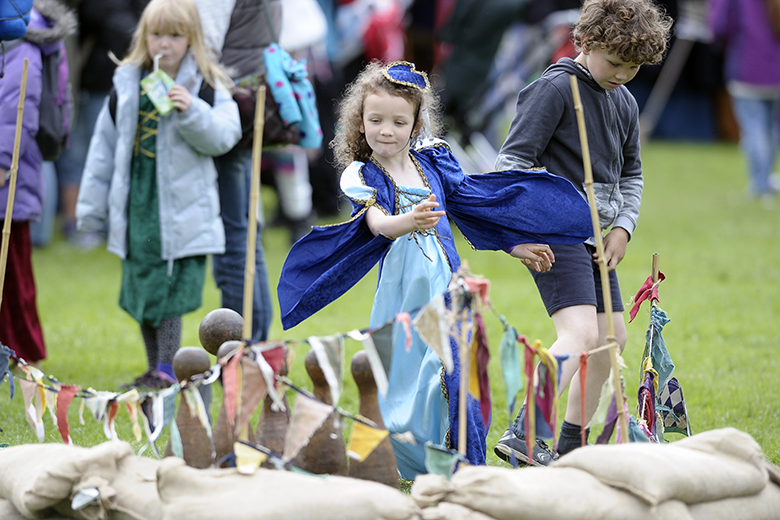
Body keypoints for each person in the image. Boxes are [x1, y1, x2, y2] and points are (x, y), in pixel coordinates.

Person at [277, 60, 593, 479]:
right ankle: (392, 455)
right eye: (375, 120)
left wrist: (516, 244)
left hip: (445, 287)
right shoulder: (363, 174)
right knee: (400, 377)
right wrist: (409, 221)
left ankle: (461, 462)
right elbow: (378, 225)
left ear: (415, 125)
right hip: (403, 293)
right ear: (359, 122)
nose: (385, 130)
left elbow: (470, 210)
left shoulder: (433, 163)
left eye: (397, 122)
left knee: (451, 373)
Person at [492, 0, 673, 466]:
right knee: (579, 333)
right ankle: (526, 432)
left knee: (612, 338)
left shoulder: (625, 100)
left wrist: (623, 228)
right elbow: (509, 166)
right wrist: (517, 235)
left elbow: (631, 176)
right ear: (585, 42)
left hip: (598, 238)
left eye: (634, 67)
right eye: (615, 63)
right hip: (556, 230)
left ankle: (572, 446)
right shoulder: (554, 88)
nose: (623, 75)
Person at [76, 0, 241, 388]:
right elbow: (103, 149)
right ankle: (155, 367)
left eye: (174, 35)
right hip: (139, 207)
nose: (164, 44)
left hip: (183, 213)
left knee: (170, 295)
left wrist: (192, 111)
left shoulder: (205, 83)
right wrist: (90, 210)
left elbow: (224, 136)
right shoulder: (127, 84)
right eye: (156, 34)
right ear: (143, 37)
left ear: (192, 39)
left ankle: (167, 368)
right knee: (144, 293)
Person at [193, 0, 281, 342]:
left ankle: (241, 344)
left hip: (229, 104)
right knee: (244, 230)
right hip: (249, 98)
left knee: (234, 235)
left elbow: (206, 50)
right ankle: (254, 340)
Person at [0, 0, 77, 368]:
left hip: (9, 175)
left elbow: (18, 109)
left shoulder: (19, 43)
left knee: (13, 272)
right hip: (11, 170)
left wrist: (2, 164)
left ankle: (23, 352)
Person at [709, 0, 780, 201]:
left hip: (747, 66)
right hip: (776, 69)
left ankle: (760, 185)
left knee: (754, 127)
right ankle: (766, 179)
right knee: (770, 127)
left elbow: (719, 26)